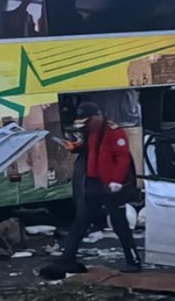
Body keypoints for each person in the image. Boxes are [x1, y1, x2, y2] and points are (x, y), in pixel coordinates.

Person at [41, 102, 142, 278]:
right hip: (93, 184)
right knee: (80, 222)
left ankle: (133, 261)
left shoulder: (114, 131)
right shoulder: (90, 131)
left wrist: (116, 181)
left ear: (98, 116)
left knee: (120, 225)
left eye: (88, 121)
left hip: (111, 187)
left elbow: (122, 158)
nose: (86, 125)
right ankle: (67, 259)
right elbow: (89, 148)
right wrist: (75, 147)